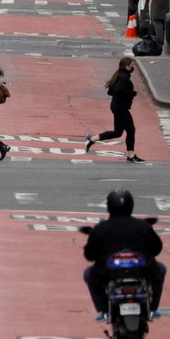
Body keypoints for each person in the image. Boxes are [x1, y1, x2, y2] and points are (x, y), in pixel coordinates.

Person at [82, 189, 165, 321]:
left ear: (109, 207)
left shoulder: (101, 228)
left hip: (108, 272)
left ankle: (104, 310)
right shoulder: (142, 226)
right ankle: (153, 308)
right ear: (131, 205)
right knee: (161, 269)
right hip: (142, 270)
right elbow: (157, 248)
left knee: (88, 274)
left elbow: (89, 254)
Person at [87, 57, 145, 162]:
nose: (133, 67)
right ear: (126, 66)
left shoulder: (120, 74)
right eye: (131, 65)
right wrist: (132, 93)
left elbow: (110, 92)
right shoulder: (124, 77)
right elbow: (118, 90)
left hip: (120, 107)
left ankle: (131, 155)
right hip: (120, 108)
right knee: (118, 132)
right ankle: (92, 138)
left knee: (131, 130)